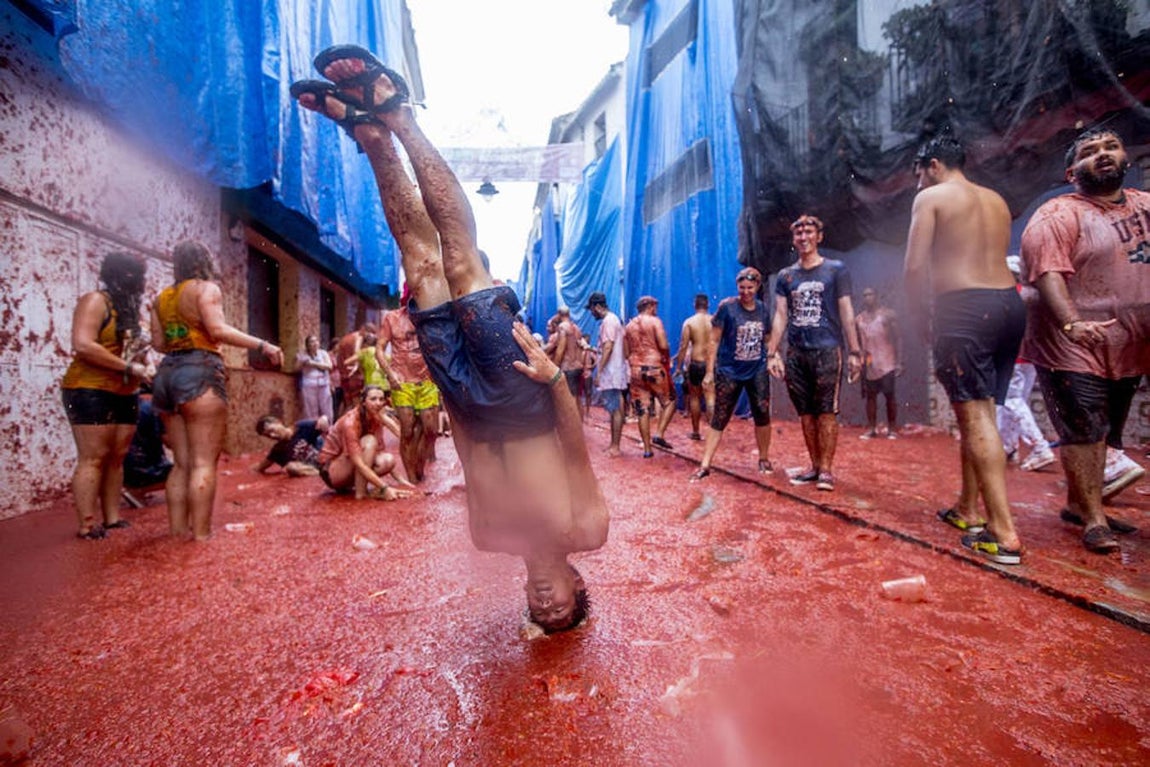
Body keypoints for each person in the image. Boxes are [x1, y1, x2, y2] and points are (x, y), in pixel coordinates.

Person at [293, 44, 608, 633]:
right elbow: (577, 454)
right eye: (560, 604)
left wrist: (445, 383)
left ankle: (371, 142)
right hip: (522, 398)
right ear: (577, 583)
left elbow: (466, 451)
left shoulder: (489, 536)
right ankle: (398, 118)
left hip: (465, 397)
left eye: (540, 611)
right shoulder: (585, 530)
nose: (544, 601)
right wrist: (555, 382)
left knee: (421, 265)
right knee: (461, 259)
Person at [1019, 128, 1149, 554]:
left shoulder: (1146, 206)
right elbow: (1047, 273)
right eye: (1090, 152)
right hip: (1070, 343)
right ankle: (1093, 519)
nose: (1103, 155)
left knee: (1107, 430)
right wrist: (1072, 324)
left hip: (1129, 345)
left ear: (1125, 156)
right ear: (1072, 171)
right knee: (1085, 429)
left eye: (1110, 146)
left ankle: (1079, 504)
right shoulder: (1057, 214)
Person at [904, 136, 1025, 565]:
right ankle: (968, 508)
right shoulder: (994, 198)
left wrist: (920, 317)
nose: (918, 182)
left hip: (965, 308)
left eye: (918, 172)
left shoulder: (932, 197)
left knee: (974, 416)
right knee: (981, 413)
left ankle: (1003, 532)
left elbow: (915, 266)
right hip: (1009, 306)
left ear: (932, 165)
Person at [150, 240, 284, 541]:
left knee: (181, 463)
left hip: (167, 373)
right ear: (203, 262)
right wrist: (263, 345)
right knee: (202, 463)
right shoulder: (205, 289)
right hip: (200, 370)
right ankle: (200, 536)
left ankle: (176, 532)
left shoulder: (162, 298)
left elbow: (158, 343)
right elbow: (218, 331)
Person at [768, 215, 862, 492]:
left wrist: (855, 351)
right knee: (806, 414)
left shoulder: (836, 270)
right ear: (793, 239)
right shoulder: (786, 276)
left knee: (826, 412)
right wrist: (772, 353)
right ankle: (814, 465)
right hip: (797, 352)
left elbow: (846, 311)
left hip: (827, 350)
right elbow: (780, 316)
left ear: (819, 236)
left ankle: (827, 471)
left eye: (809, 231)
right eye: (798, 233)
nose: (804, 237)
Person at [61, 252, 150, 539]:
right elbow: (83, 344)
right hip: (88, 388)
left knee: (116, 456)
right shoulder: (96, 300)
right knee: (93, 456)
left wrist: (143, 364)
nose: (138, 281)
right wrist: (129, 365)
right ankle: (87, 524)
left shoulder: (131, 310)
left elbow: (132, 352)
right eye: (133, 275)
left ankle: (112, 518)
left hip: (125, 390)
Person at [691, 267, 773, 480]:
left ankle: (764, 458)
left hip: (757, 370)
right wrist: (709, 372)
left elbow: (768, 338)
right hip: (730, 371)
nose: (746, 292)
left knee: (762, 415)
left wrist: (774, 357)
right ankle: (705, 463)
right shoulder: (727, 308)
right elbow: (714, 340)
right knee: (719, 416)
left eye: (750, 287)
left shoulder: (763, 310)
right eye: (742, 287)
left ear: (757, 287)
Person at [996, 256, 1056, 472]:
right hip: (1030, 356)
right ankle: (1008, 446)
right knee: (1017, 402)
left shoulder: (1009, 296)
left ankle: (1040, 447)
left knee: (1011, 401)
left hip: (1012, 355)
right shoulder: (1033, 295)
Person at [379, 290, 441, 482]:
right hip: (402, 383)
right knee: (407, 430)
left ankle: (419, 467)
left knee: (431, 430)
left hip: (427, 382)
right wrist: (390, 375)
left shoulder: (431, 319)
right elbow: (379, 350)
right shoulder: (392, 318)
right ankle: (412, 479)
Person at [315, 385, 412, 498]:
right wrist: (384, 487)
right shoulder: (350, 422)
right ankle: (361, 493)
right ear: (363, 402)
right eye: (373, 399)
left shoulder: (374, 417)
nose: (378, 403)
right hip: (331, 471)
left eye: (381, 399)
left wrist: (402, 481)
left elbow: (382, 449)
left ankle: (361, 489)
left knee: (388, 461)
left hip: (348, 465)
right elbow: (359, 464)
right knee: (369, 441)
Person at [623, 295, 676, 457]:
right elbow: (663, 344)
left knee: (642, 410)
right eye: (655, 306)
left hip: (636, 370)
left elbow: (626, 353)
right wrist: (666, 357)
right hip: (654, 367)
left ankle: (647, 449)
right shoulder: (655, 321)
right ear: (651, 306)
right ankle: (659, 434)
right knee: (670, 401)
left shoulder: (629, 326)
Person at [854, 287, 903, 439]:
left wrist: (899, 362)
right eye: (865, 295)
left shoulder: (887, 315)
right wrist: (858, 360)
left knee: (889, 395)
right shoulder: (859, 319)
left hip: (887, 360)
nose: (867, 298)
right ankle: (872, 428)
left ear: (876, 296)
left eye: (870, 294)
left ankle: (892, 428)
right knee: (870, 397)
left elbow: (898, 338)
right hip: (869, 363)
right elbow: (857, 342)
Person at [587, 291, 629, 457]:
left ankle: (615, 446)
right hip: (614, 370)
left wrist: (599, 370)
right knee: (614, 409)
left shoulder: (608, 321)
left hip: (611, 372)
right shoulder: (613, 320)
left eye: (591, 309)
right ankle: (614, 444)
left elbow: (608, 347)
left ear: (597, 307)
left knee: (615, 410)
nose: (591, 313)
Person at [675, 293, 715, 441]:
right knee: (711, 397)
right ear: (708, 305)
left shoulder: (689, 322)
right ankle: (713, 433)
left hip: (696, 364)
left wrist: (679, 367)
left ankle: (696, 432)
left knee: (695, 398)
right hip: (711, 364)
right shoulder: (714, 321)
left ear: (694, 305)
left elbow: (683, 346)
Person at [546, 307, 590, 421]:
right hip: (577, 367)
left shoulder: (562, 327)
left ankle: (573, 428)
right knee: (577, 398)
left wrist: (554, 368)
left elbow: (561, 349)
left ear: (559, 314)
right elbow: (581, 348)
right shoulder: (576, 328)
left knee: (569, 400)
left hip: (568, 367)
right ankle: (579, 425)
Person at [253, 414, 328, 477]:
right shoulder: (278, 450)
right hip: (312, 470)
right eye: (268, 436)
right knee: (291, 467)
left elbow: (325, 425)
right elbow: (259, 468)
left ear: (279, 422)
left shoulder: (302, 427)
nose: (272, 435)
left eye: (272, 430)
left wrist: (324, 419)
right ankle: (322, 474)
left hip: (325, 459)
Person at [334, 322, 376, 412]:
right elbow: (357, 357)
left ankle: (342, 424)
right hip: (356, 377)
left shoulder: (346, 339)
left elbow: (340, 359)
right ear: (364, 330)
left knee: (347, 403)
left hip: (345, 376)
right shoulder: (358, 339)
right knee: (357, 407)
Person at [295, 334, 335, 423]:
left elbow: (329, 366)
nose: (314, 343)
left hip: (324, 384)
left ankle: (328, 429)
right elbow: (296, 368)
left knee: (327, 409)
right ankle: (313, 431)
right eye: (311, 342)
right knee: (311, 411)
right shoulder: (302, 355)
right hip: (309, 385)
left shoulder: (323, 353)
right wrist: (302, 363)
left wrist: (313, 363)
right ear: (307, 345)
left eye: (316, 341)